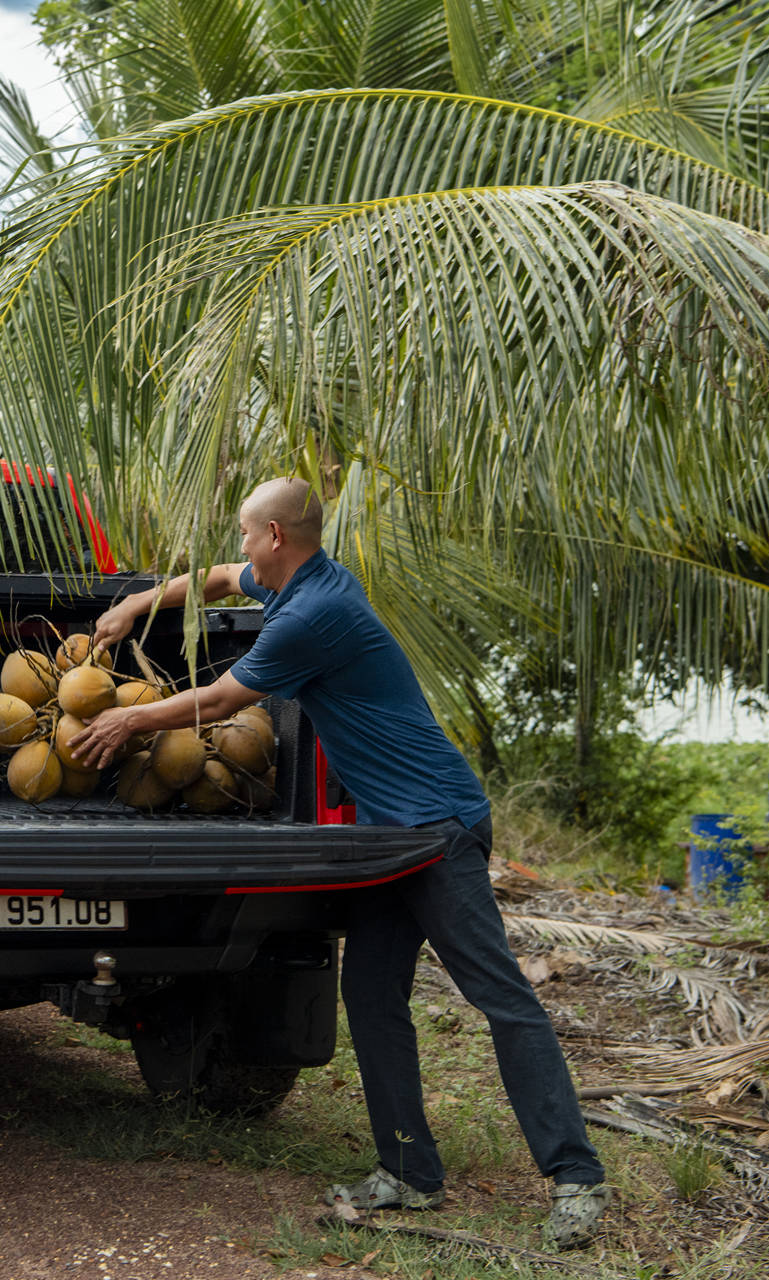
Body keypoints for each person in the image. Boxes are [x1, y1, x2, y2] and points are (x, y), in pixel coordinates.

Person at [71, 477, 609, 1250]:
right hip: (393, 834)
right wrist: (136, 604)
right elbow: (219, 578)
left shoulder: (317, 614)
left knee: (501, 999)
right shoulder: (295, 575)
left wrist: (128, 717)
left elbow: (222, 702)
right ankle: (409, 1173)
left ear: (278, 537)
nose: (243, 545)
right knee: (371, 993)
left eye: (248, 531)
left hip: (441, 825)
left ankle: (576, 1177)